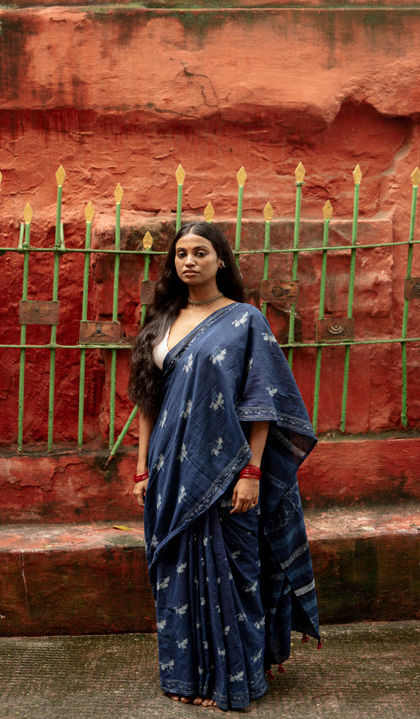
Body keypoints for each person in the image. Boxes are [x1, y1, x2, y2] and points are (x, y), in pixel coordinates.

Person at [129, 221, 320, 712]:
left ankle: (234, 680)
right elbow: (149, 402)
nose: (188, 261)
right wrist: (141, 468)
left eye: (200, 252)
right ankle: (185, 676)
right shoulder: (161, 321)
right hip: (170, 470)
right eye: (181, 253)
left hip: (227, 466)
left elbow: (263, 402)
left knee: (234, 572)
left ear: (221, 261)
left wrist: (253, 472)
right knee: (175, 570)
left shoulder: (244, 320)